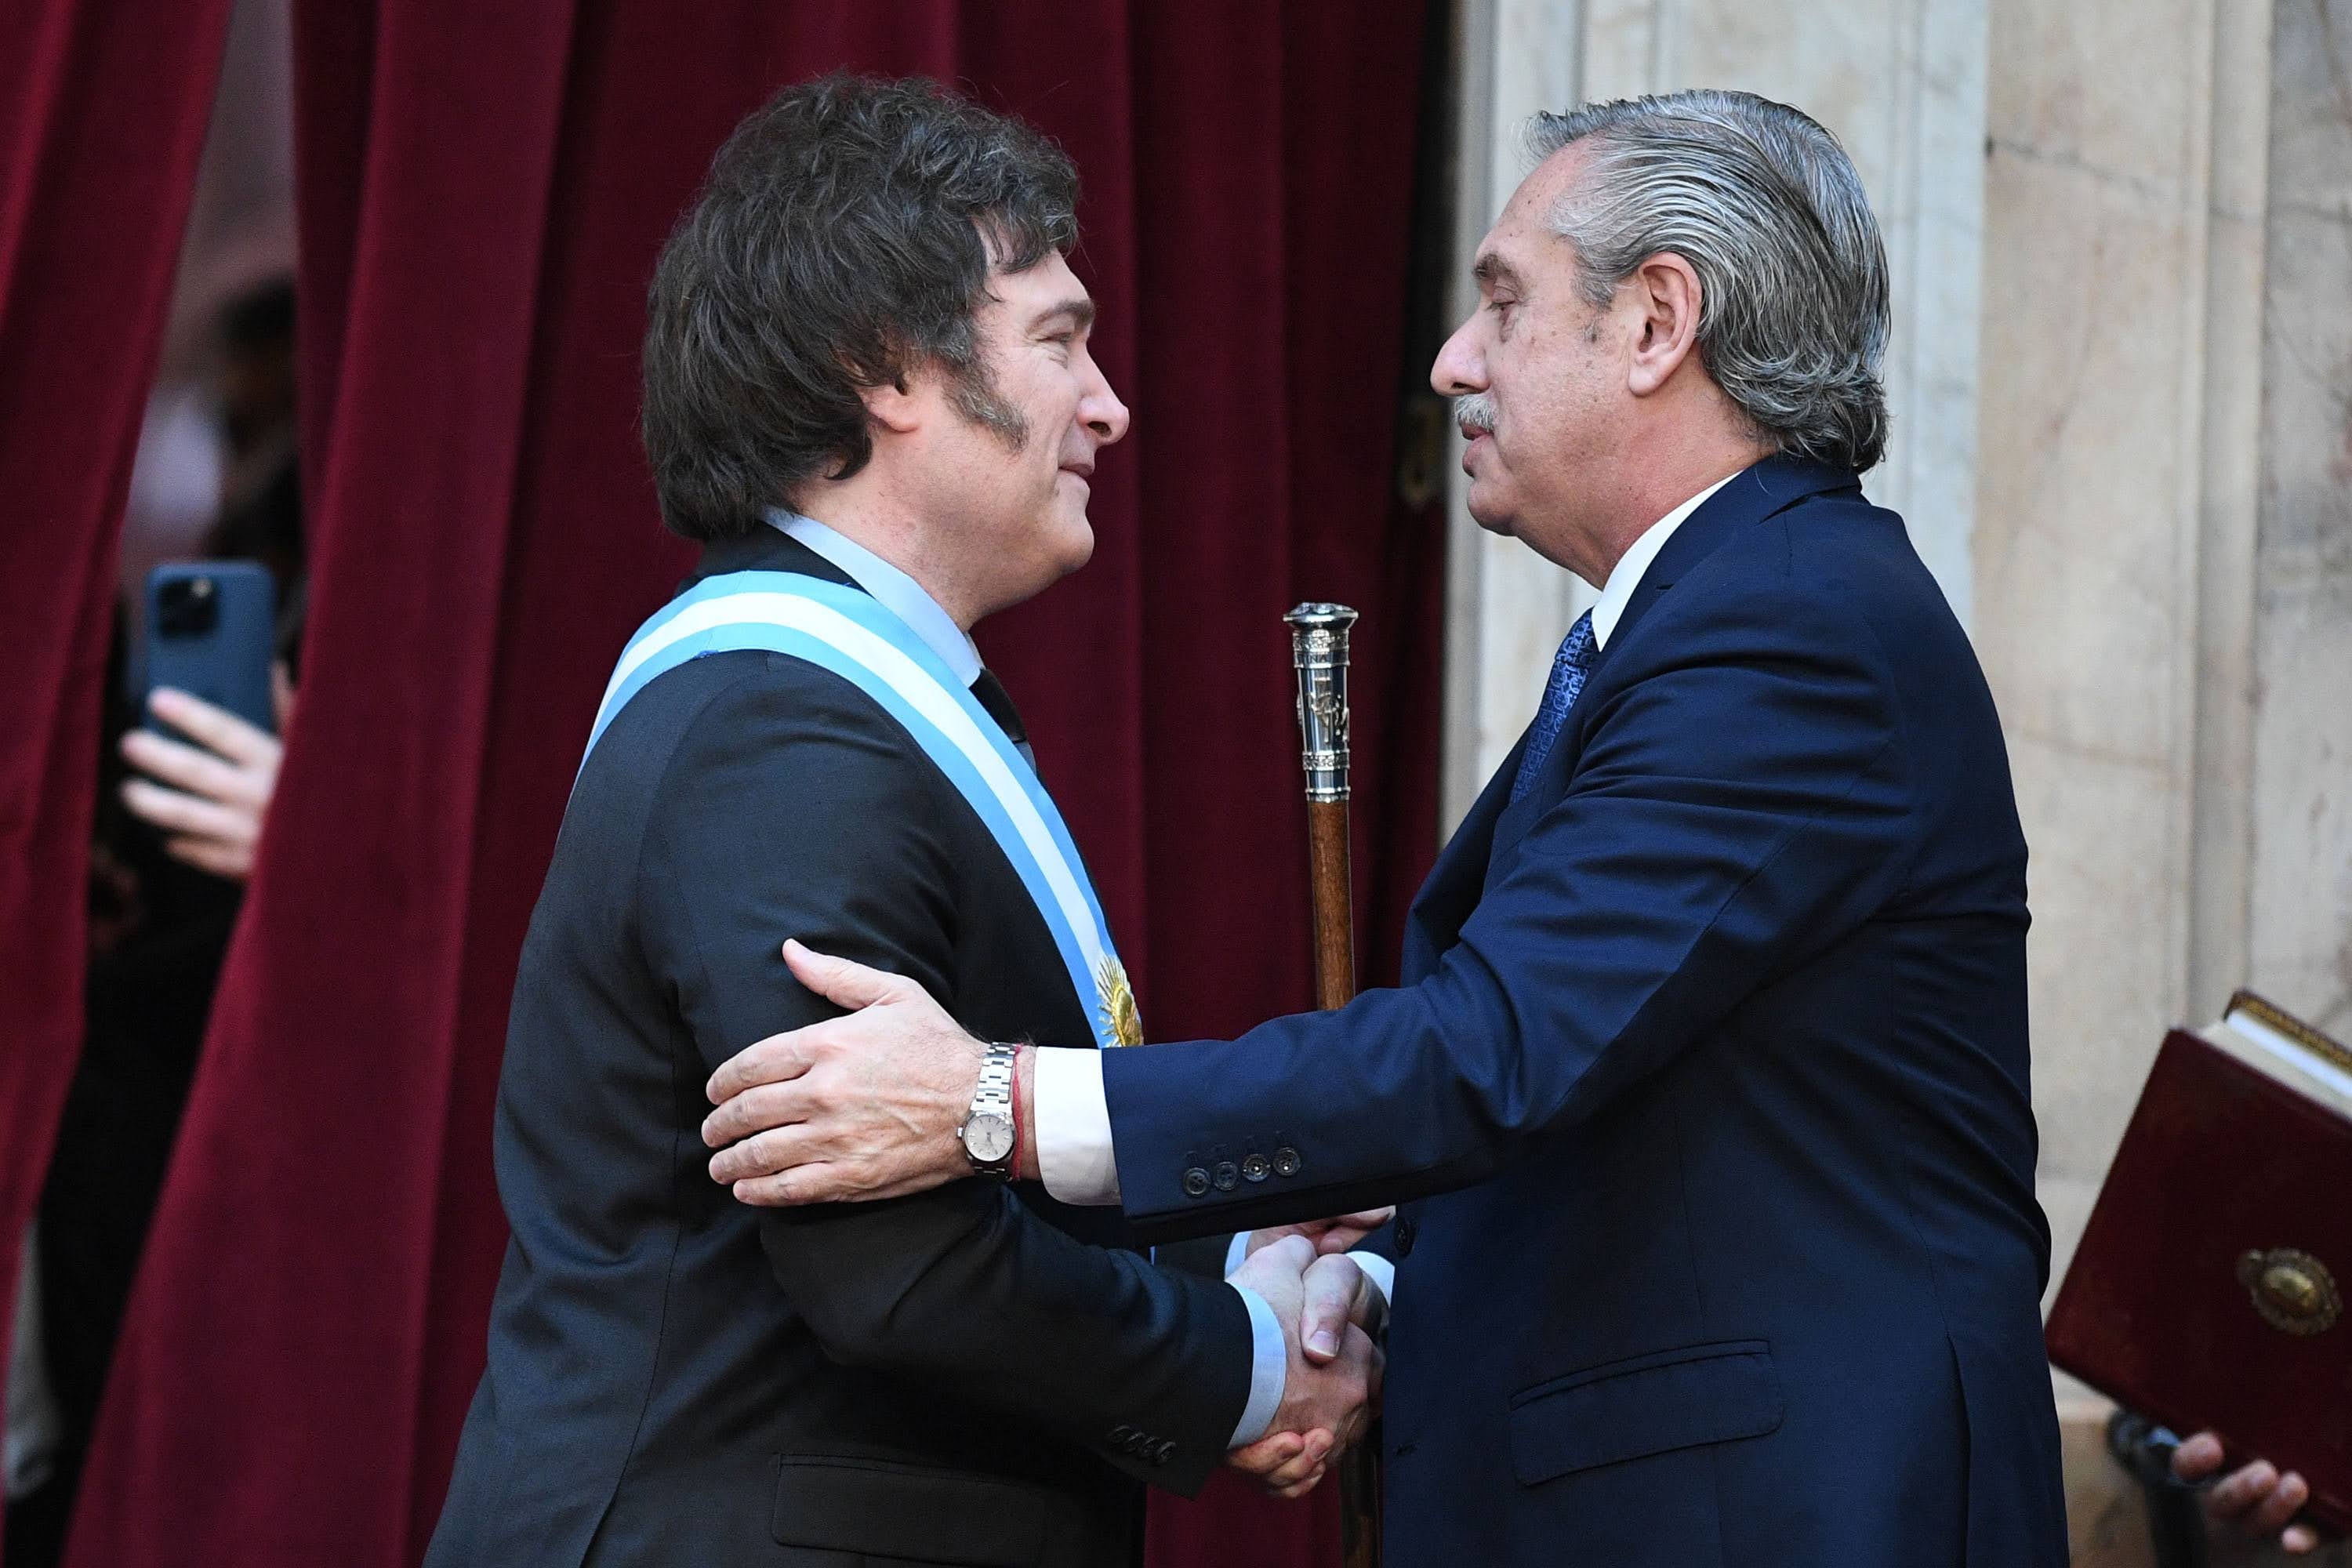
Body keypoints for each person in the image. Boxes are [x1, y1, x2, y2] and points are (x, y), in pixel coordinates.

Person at [696, 89, 2076, 1567]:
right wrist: (1374, 1288)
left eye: (1505, 303)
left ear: (1657, 322)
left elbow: (1498, 1049)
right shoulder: (1721, 619)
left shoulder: (1791, 629)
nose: (1453, 362)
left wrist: (1001, 1105)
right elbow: (1632, 1119)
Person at [423, 75, 1374, 1568]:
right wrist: (1246, 1366)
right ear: (885, 369)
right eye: (1058, 340)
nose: (1109, 404)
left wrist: (1244, 1248)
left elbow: (942, 1163)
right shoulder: (776, 730)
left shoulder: (828, 706)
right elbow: (885, 1262)